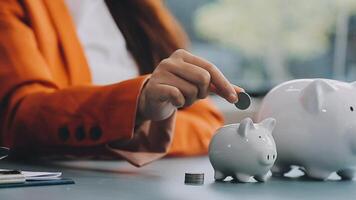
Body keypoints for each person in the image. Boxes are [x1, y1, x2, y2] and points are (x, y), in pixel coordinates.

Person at [0, 0, 243, 167]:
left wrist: (140, 129)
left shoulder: (140, 10)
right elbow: (22, 116)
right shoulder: (14, 6)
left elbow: (206, 122)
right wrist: (136, 105)